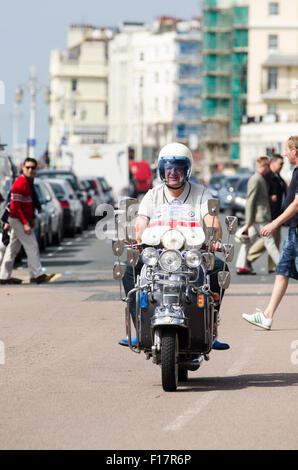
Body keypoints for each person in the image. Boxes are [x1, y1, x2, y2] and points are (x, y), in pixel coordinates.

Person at [120, 142, 230, 350]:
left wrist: (214, 238)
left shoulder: (201, 193)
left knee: (218, 269)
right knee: (130, 270)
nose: (172, 173)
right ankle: (139, 328)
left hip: (192, 252)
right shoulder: (153, 194)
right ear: (161, 170)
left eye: (178, 167)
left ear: (186, 170)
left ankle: (211, 326)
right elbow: (141, 221)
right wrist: (137, 238)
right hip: (158, 252)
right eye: (168, 167)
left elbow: (211, 219)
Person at [242, 136, 298, 329]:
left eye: (286, 151)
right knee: (282, 270)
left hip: (296, 231)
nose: (284, 154)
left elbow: (296, 204)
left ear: (295, 151)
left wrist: (274, 223)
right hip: (293, 231)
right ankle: (267, 316)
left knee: (285, 269)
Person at [0, 157, 55, 284]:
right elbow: (15, 207)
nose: (30, 170)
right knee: (32, 245)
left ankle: (4, 276)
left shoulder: (28, 182)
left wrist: (33, 218)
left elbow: (29, 204)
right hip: (17, 219)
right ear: (22, 168)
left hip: (19, 219)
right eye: (28, 167)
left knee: (13, 248)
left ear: (36, 169)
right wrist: (25, 223)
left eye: (33, 168)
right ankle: (37, 275)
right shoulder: (20, 183)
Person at [235, 156, 280, 274]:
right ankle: (281, 265)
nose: (269, 169)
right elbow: (251, 200)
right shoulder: (256, 179)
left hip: (257, 217)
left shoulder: (259, 178)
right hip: (260, 217)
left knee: (248, 241)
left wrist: (269, 198)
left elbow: (259, 198)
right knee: (270, 242)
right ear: (263, 166)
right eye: (268, 166)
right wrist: (248, 220)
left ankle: (241, 266)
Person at [246, 154, 287, 273]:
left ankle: (272, 266)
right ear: (272, 163)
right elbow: (257, 197)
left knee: (274, 241)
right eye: (280, 163)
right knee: (268, 240)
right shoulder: (267, 177)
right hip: (269, 214)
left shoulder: (277, 176)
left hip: (277, 213)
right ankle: (249, 257)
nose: (282, 166)